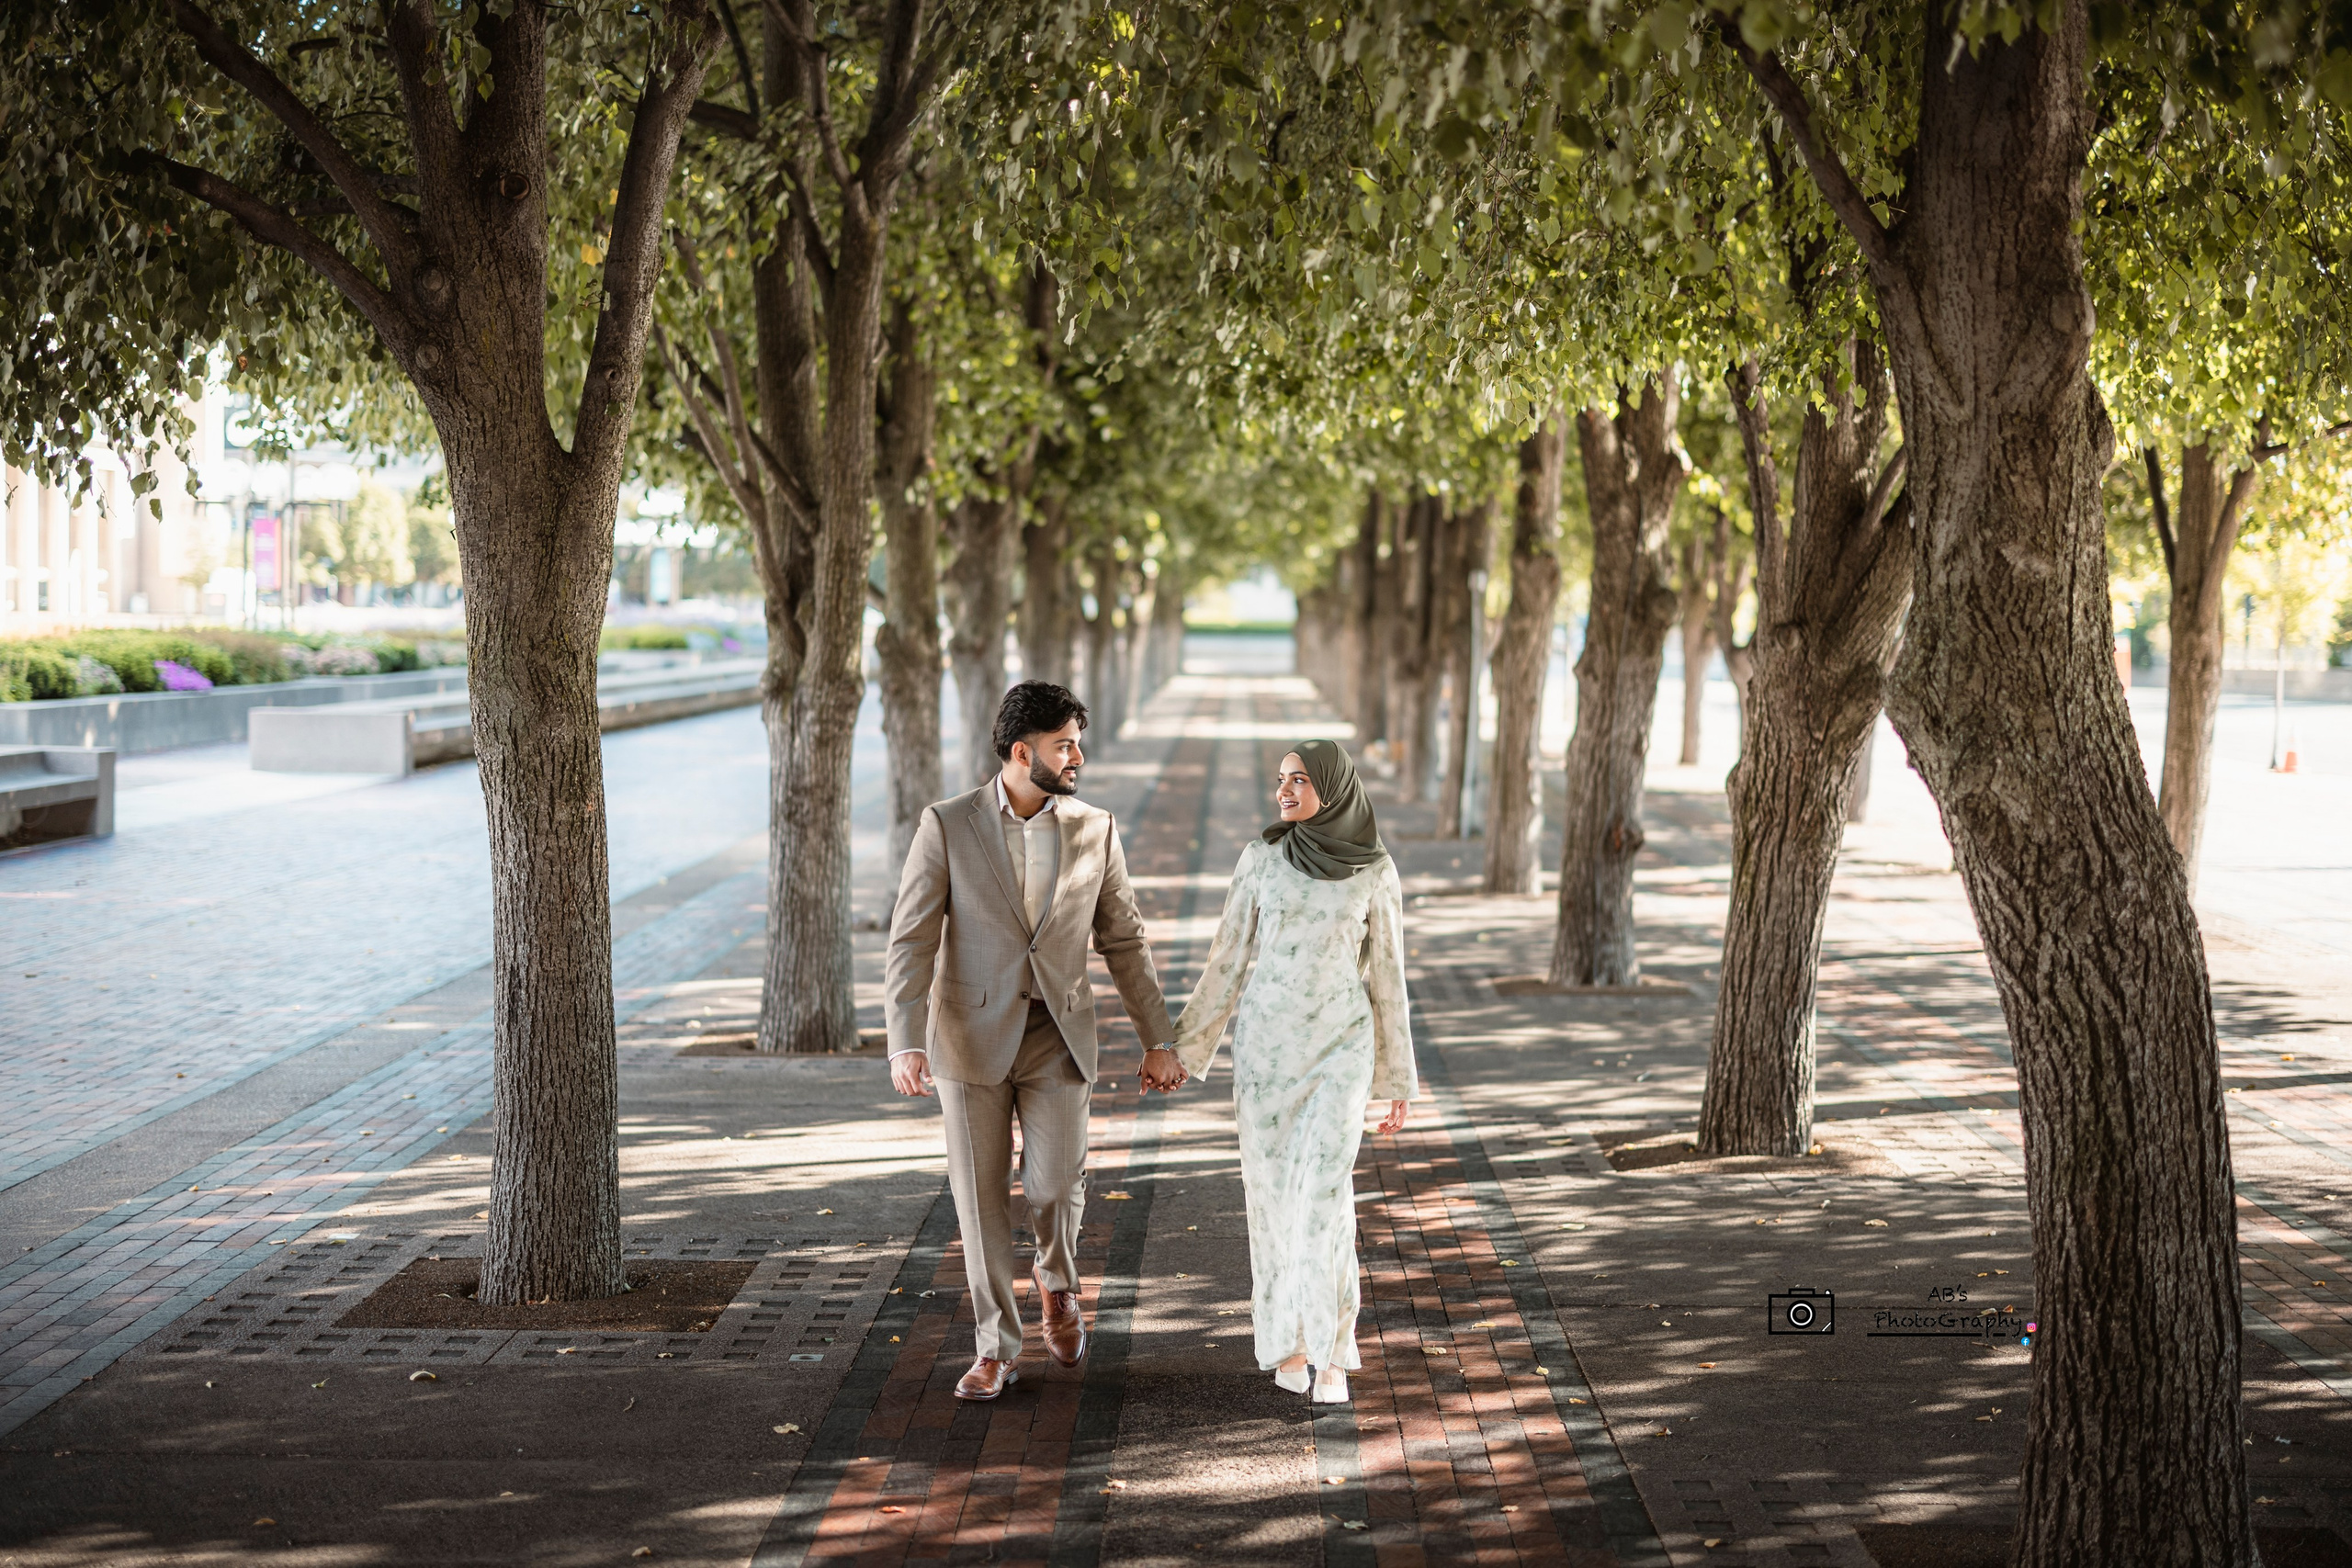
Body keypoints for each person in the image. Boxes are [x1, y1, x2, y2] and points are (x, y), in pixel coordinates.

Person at [885, 680, 1187, 1401]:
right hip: (968, 1038)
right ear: (1023, 753)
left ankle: (1058, 1283)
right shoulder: (947, 824)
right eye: (1065, 745)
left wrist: (1158, 1037)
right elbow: (912, 938)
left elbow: (1124, 939)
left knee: (1054, 1185)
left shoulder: (1095, 828)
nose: (1078, 756)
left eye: (1077, 743)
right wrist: (905, 1038)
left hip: (1058, 1033)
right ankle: (995, 1348)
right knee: (981, 1200)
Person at [1170, 738, 1415, 1404]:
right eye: (1281, 778)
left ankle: (1333, 1355)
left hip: (1341, 1052)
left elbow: (1388, 978)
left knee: (1326, 1199)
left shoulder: (1375, 871)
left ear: (1333, 788)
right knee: (1274, 1200)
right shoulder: (1261, 859)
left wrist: (1397, 1078)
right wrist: (1181, 1050)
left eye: (1300, 779)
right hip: (1266, 1058)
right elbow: (1227, 960)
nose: (1284, 790)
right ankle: (1289, 1344)